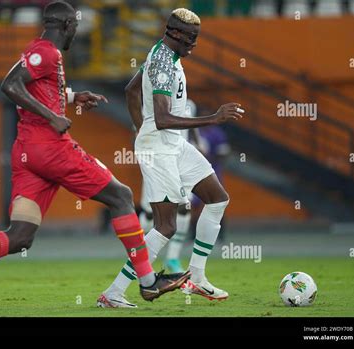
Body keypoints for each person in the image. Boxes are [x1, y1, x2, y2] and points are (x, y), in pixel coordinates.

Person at [0, 1, 190, 308]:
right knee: (121, 196)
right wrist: (52, 118)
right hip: (50, 148)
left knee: (21, 236)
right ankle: (147, 282)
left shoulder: (44, 54)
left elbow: (41, 88)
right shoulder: (47, 52)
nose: (75, 34)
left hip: (27, 153)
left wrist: (74, 96)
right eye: (75, 28)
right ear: (66, 25)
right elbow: (10, 85)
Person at [97, 8, 244, 308]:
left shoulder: (164, 55)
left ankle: (198, 277)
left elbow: (130, 91)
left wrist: (141, 128)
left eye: (196, 37)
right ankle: (114, 292)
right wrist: (213, 118)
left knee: (217, 198)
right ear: (174, 33)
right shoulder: (163, 62)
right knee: (166, 226)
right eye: (190, 38)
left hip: (173, 144)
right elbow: (163, 118)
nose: (194, 44)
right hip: (160, 146)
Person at [139, 99, 208, 273]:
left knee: (185, 207)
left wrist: (198, 142)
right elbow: (139, 130)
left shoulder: (189, 104)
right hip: (158, 160)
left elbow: (191, 126)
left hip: (181, 160)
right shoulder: (151, 102)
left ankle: (172, 258)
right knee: (150, 214)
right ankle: (140, 256)